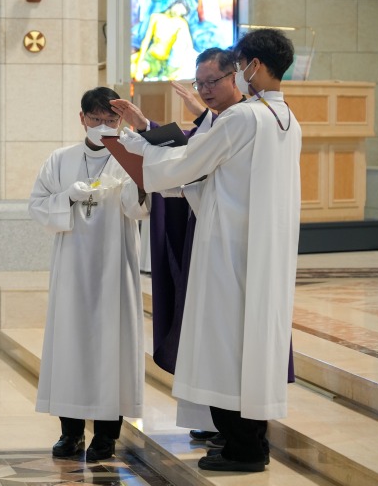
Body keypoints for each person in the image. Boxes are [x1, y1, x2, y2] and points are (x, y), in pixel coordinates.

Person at [111, 28, 302, 473]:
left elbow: (188, 163)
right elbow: (219, 175)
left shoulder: (244, 118)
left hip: (227, 249)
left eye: (240, 64)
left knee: (223, 344)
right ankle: (246, 440)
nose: (240, 71)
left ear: (253, 66)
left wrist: (134, 147)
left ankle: (244, 449)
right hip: (263, 251)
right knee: (250, 345)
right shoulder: (288, 119)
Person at [122, 48, 246, 445]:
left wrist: (149, 147)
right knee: (201, 327)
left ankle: (234, 428)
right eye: (200, 83)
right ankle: (214, 420)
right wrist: (147, 128)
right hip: (205, 230)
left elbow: (189, 158)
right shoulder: (219, 120)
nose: (204, 90)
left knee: (220, 331)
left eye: (212, 82)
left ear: (235, 76)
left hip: (230, 239)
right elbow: (188, 148)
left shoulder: (244, 120)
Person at [29, 87, 148, 462]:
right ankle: (71, 433)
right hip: (73, 266)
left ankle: (106, 437)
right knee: (71, 344)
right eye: (95, 119)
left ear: (121, 120)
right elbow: (37, 204)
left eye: (110, 120)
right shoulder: (60, 159)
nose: (102, 126)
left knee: (112, 346)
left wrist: (141, 182)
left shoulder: (128, 156)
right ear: (82, 118)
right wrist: (68, 196)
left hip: (114, 263)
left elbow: (137, 207)